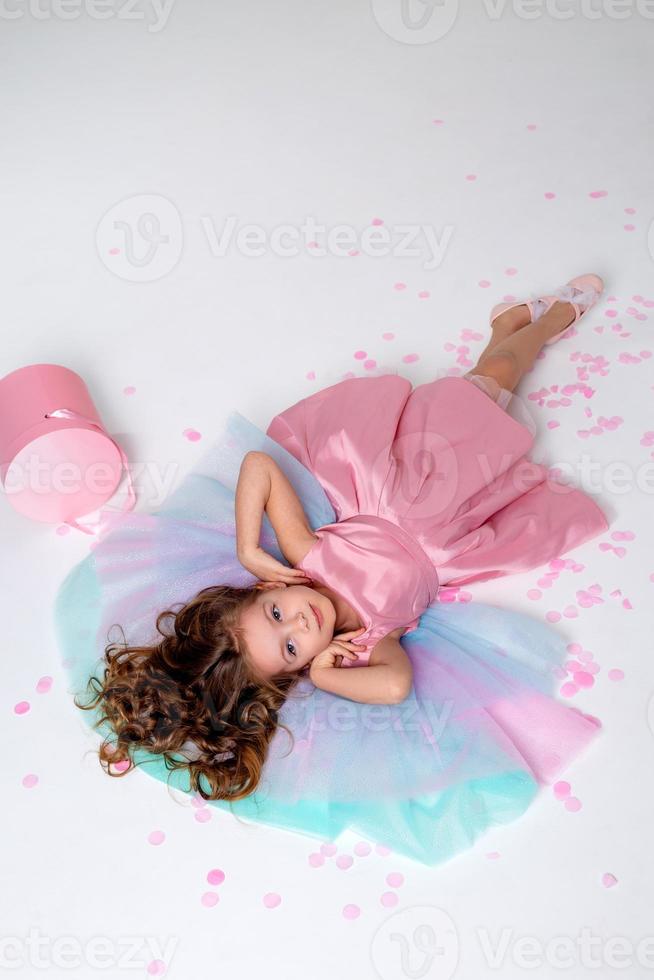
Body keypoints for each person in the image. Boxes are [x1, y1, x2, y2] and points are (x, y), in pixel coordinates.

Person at [54, 274, 609, 866]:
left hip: (412, 481)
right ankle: (508, 328)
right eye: (292, 645)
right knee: (500, 416)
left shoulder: (305, 556)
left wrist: (250, 547)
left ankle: (536, 326)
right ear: (295, 670)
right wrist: (326, 672)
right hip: (454, 535)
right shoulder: (368, 641)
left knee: (491, 383)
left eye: (274, 612)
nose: (300, 619)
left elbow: (259, 464)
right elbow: (394, 685)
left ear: (263, 589)